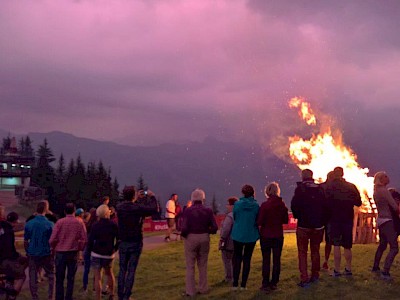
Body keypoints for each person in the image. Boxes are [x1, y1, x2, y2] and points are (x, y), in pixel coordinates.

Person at [116, 186, 157, 300]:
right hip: (135, 241)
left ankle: (120, 295)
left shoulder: (119, 207)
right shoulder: (137, 208)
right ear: (133, 196)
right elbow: (153, 209)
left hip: (123, 241)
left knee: (122, 269)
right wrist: (152, 196)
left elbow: (131, 207)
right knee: (131, 270)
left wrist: (136, 199)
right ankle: (127, 295)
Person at [291, 169, 328, 287]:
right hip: (318, 226)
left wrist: (299, 216)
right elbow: (326, 206)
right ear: (312, 176)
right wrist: (322, 221)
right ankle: (315, 275)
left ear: (302, 177)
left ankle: (304, 279)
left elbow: (294, 206)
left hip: (303, 226)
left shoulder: (300, 189)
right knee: (315, 250)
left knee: (302, 252)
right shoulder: (320, 189)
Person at [181, 188, 218, 297]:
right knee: (203, 265)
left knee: (190, 266)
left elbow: (184, 227)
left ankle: (190, 291)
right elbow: (215, 227)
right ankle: (203, 288)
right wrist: (207, 231)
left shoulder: (187, 211)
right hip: (204, 237)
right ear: (203, 199)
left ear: (192, 199)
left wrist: (184, 236)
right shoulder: (208, 211)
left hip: (191, 237)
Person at [325, 167, 361, 277]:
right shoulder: (351, 186)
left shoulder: (329, 187)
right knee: (347, 245)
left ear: (334, 174)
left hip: (334, 219)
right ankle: (348, 269)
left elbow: (325, 203)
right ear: (342, 174)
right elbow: (358, 202)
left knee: (336, 244)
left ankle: (337, 270)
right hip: (347, 218)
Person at [49, 203, 87, 300]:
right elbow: (84, 239)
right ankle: (68, 297)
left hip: (60, 252)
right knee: (71, 278)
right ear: (74, 211)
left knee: (59, 278)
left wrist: (54, 246)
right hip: (72, 252)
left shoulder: (59, 222)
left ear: (65, 211)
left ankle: (59, 297)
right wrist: (79, 248)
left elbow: (52, 239)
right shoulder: (79, 222)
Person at [257, 182, 289, 292]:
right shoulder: (282, 204)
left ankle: (265, 283)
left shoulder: (264, 205)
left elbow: (260, 221)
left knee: (266, 259)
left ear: (267, 191)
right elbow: (285, 220)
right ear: (277, 191)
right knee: (276, 259)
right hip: (278, 235)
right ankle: (274, 282)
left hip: (266, 235)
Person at [231, 184, 260, 290]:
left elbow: (235, 216)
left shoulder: (237, 204)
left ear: (243, 193)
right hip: (251, 235)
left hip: (238, 234)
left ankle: (235, 284)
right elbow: (257, 219)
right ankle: (243, 284)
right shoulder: (256, 206)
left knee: (237, 258)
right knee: (247, 259)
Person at [24, 201, 55, 300]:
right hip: (46, 252)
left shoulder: (29, 223)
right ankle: (51, 296)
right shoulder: (50, 224)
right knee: (51, 275)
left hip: (33, 252)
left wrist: (27, 251)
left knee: (32, 276)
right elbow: (53, 241)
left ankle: (35, 297)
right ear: (46, 209)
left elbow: (26, 240)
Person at [88, 205, 119, 300]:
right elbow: (119, 239)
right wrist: (115, 249)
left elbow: (90, 240)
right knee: (109, 273)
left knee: (97, 277)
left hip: (97, 253)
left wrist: (90, 250)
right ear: (107, 213)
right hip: (109, 254)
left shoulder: (95, 225)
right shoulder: (113, 225)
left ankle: (98, 297)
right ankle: (112, 294)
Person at [372, 172, 399, 280]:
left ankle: (375, 266)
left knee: (382, 245)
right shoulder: (384, 191)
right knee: (394, 248)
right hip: (387, 220)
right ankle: (385, 272)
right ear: (381, 179)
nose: (388, 178)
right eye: (385, 176)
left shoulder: (376, 191)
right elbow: (394, 207)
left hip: (380, 220)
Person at [0, 214, 28, 300]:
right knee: (22, 276)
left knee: (12, 268)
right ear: (14, 222)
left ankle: (9, 282)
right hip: (4, 260)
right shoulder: (9, 231)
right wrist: (17, 256)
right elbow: (9, 249)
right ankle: (12, 294)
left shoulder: (2, 227)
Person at [219, 197, 238, 283]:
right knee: (235, 260)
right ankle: (236, 276)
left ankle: (229, 277)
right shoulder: (240, 215)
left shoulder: (230, 216)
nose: (227, 206)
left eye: (228, 204)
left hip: (229, 242)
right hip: (238, 241)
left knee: (227, 260)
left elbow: (226, 229)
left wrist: (222, 238)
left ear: (232, 205)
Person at [321, 171, 335, 270]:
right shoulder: (335, 188)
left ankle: (319, 261)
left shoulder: (320, 186)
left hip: (321, 217)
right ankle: (325, 261)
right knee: (328, 241)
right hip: (330, 217)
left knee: (316, 240)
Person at [82, 207, 98, 293]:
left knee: (86, 269)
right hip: (95, 248)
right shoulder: (97, 225)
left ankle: (85, 286)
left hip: (87, 247)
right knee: (96, 269)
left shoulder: (87, 225)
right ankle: (95, 287)